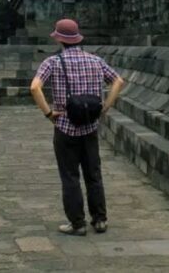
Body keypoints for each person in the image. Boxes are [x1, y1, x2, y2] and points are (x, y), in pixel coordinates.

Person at [30, 19, 125, 236]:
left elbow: (35, 87)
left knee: (70, 176)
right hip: (90, 127)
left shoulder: (52, 62)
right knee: (93, 174)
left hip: (65, 126)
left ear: (59, 39)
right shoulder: (95, 60)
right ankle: (100, 220)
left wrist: (48, 113)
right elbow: (118, 81)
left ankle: (78, 223)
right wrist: (105, 107)